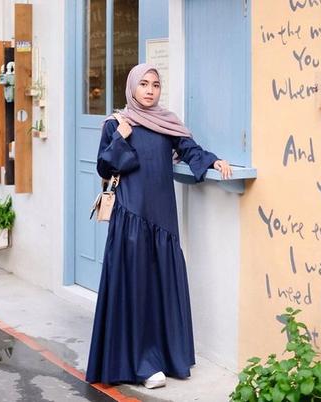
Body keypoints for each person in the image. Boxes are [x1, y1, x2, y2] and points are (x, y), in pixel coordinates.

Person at [86, 63, 232, 389]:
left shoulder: (167, 123)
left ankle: (165, 357)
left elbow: (190, 149)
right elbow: (105, 168)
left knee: (160, 285)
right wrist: (121, 138)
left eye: (155, 84)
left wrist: (213, 160)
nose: (150, 90)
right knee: (136, 286)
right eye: (144, 84)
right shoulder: (116, 123)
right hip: (131, 216)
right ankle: (141, 364)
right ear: (132, 87)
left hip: (163, 218)